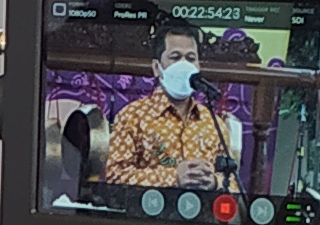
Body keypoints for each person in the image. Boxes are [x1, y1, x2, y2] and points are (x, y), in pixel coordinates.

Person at [100, 27, 255, 192]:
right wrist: (173, 177)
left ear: (198, 67)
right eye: (175, 57)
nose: (184, 65)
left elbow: (232, 183)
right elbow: (115, 175)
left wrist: (215, 182)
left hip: (201, 207)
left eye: (190, 58)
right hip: (150, 206)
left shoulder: (214, 123)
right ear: (157, 67)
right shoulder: (132, 116)